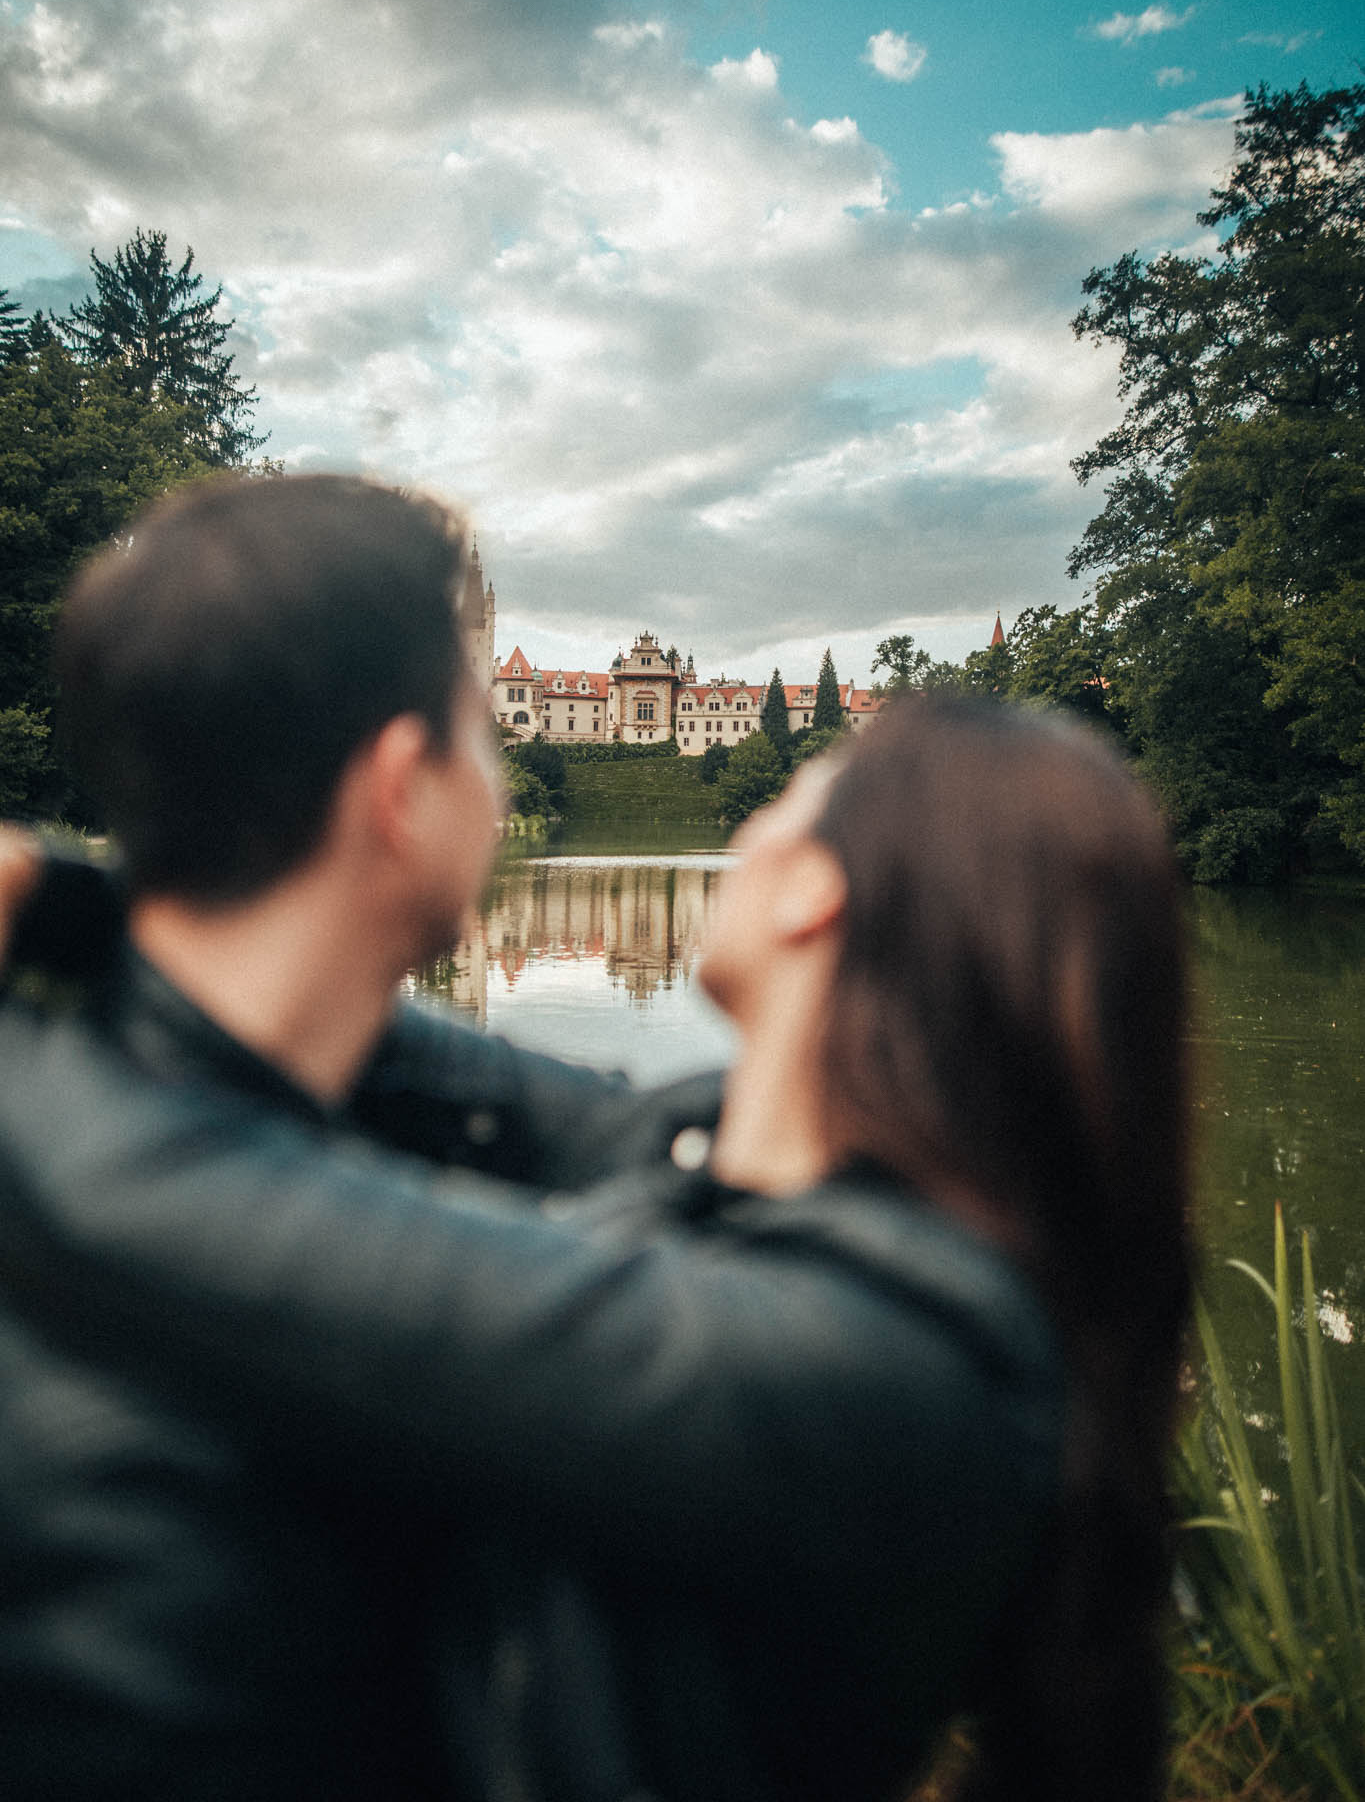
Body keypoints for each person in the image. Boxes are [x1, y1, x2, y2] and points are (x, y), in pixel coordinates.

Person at [0, 528, 1193, 1802]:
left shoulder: (889, 1368)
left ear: (816, 895)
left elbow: (171, 1202)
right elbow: (445, 1079)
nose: (749, 812)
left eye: (796, 789)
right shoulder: (736, 1160)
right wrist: (69, 906)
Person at [0, 472, 719, 1801]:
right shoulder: (249, 1346)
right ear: (403, 788)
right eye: (481, 737)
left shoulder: (79, 1089)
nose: (503, 782)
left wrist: (85, 914)